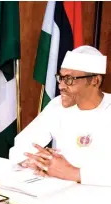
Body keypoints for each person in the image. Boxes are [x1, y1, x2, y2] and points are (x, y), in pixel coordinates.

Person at [9, 45, 111, 186]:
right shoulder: (57, 106)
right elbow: (21, 145)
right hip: (58, 193)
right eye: (61, 78)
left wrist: (72, 173)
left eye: (69, 79)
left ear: (95, 81)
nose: (61, 86)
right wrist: (40, 161)